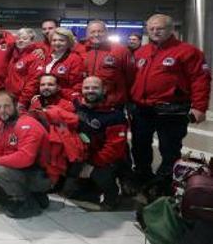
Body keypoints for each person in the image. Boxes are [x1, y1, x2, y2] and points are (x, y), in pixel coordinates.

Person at [130, 14, 211, 187]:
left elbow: (200, 79)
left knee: (169, 149)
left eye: (160, 28)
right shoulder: (142, 52)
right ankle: (143, 176)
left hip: (171, 109)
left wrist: (199, 107)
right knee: (139, 146)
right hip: (142, 109)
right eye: (151, 28)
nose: (155, 31)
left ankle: (164, 183)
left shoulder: (188, 51)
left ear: (170, 29)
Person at [0, 92, 52, 218]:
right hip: (19, 172)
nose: (2, 111)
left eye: (7, 106)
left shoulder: (28, 124)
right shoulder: (1, 126)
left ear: (15, 105)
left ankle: (26, 203)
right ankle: (35, 196)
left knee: (1, 171)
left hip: (40, 174)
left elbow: (26, 158)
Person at [64, 77, 128, 209]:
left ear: (104, 90)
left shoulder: (115, 116)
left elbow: (114, 149)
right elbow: (61, 91)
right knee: (70, 192)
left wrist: (91, 164)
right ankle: (89, 185)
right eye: (86, 88)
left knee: (100, 174)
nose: (90, 91)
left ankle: (112, 194)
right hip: (84, 154)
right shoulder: (78, 104)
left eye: (95, 88)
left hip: (107, 159)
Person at [74, 20, 134, 108]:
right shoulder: (80, 50)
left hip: (112, 105)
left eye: (100, 31)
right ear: (87, 34)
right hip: (86, 103)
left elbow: (130, 77)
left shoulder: (121, 51)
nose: (96, 34)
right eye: (92, 32)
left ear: (106, 33)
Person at [5, 28, 44, 111]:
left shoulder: (36, 57)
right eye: (18, 38)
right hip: (10, 97)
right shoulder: (14, 55)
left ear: (32, 41)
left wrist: (23, 101)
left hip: (23, 100)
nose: (20, 40)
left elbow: (33, 81)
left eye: (25, 38)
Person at [44, 27, 85, 100]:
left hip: (63, 100)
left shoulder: (75, 59)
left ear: (69, 42)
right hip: (45, 97)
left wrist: (59, 91)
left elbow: (77, 85)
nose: (57, 43)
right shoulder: (46, 57)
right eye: (54, 40)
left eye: (61, 40)